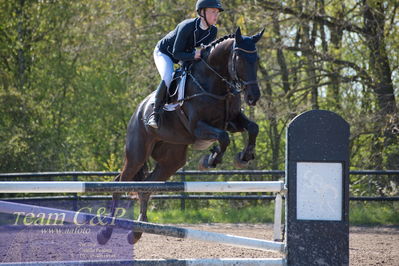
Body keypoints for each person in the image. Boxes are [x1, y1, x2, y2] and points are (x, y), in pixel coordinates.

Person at [147, 0, 224, 129]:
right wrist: (193, 55)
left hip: (186, 54)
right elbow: (176, 53)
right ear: (202, 12)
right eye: (212, 12)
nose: (216, 16)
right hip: (165, 53)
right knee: (168, 76)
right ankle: (155, 113)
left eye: (217, 12)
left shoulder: (212, 31)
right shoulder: (187, 26)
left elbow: (203, 54)